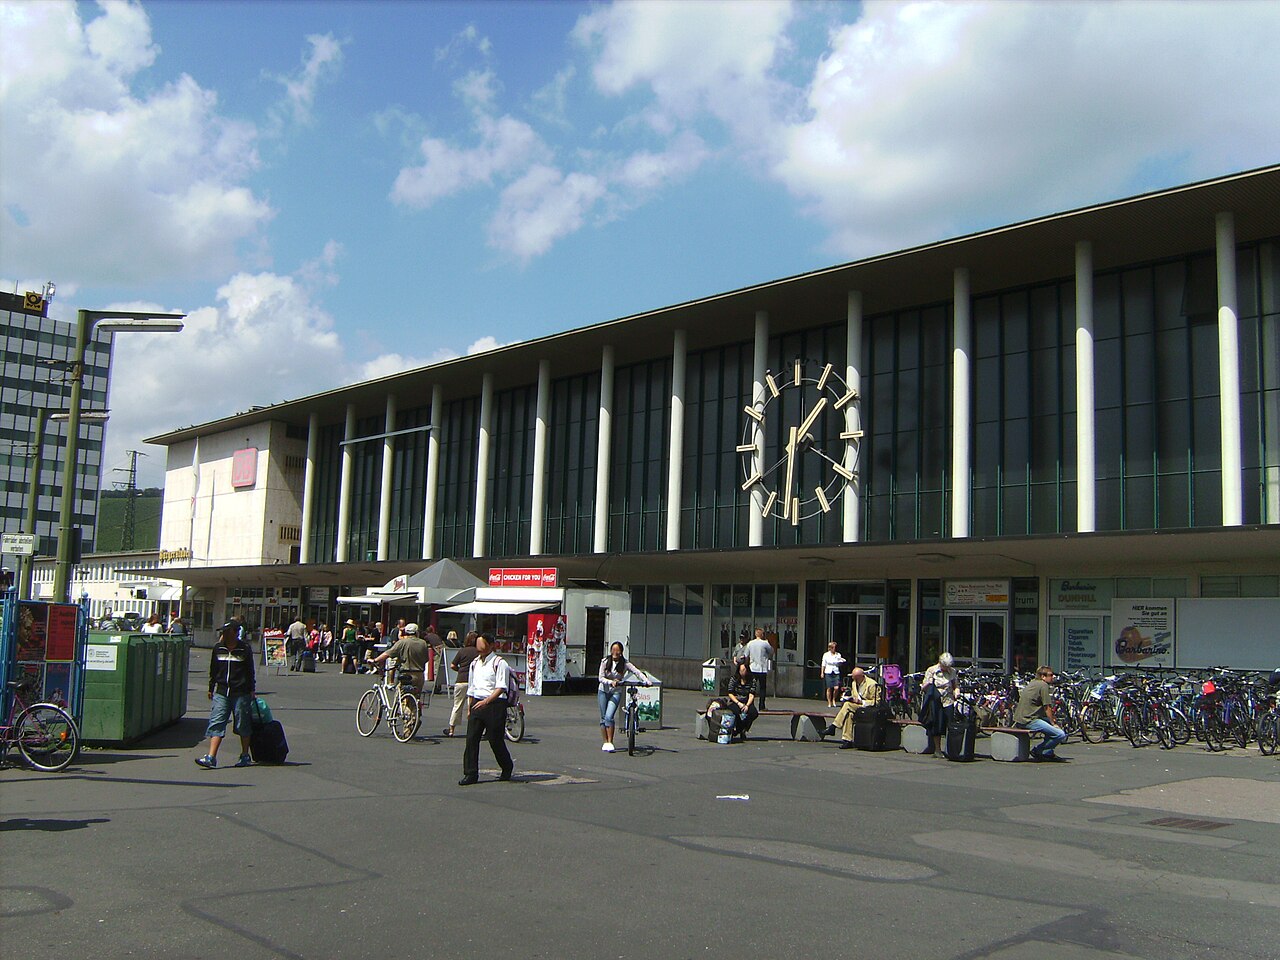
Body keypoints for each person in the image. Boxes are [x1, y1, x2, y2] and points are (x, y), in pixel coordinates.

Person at [195, 621, 256, 769]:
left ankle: (244, 755)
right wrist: (211, 687)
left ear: (235, 632)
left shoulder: (244, 649)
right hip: (222, 691)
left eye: (228, 632)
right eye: (223, 632)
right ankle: (211, 757)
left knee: (242, 724)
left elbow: (249, 670)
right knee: (217, 722)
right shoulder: (218, 648)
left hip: (240, 692)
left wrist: (251, 689)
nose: (224, 635)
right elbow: (213, 669)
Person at [458, 635, 513, 786]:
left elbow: (501, 687)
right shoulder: (474, 663)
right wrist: (470, 707)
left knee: (495, 740)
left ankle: (507, 766)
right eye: (478, 647)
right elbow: (471, 687)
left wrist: (487, 701)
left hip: (494, 704)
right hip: (477, 702)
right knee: (471, 739)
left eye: (482, 648)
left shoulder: (499, 663)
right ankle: (471, 773)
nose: (479, 651)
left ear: (490, 646)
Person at [597, 641, 650, 752]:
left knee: (609, 716)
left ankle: (610, 742)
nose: (615, 652)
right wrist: (610, 682)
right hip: (603, 691)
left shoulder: (625, 663)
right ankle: (605, 741)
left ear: (621, 652)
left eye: (617, 650)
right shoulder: (605, 661)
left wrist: (646, 680)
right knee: (603, 718)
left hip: (616, 692)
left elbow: (637, 672)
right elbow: (600, 678)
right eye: (613, 650)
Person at [1014, 665, 1067, 762]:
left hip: (1022, 718)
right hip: (1029, 720)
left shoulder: (1033, 683)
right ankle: (1037, 750)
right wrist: (1053, 723)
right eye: (1050, 675)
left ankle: (1048, 753)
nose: (1053, 677)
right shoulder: (1043, 685)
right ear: (1043, 676)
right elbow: (1047, 707)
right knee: (1060, 734)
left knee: (1051, 728)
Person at [367, 622, 430, 695]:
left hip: (407, 674)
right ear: (417, 632)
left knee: (402, 696)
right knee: (416, 697)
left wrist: (375, 660)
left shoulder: (402, 642)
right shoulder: (423, 643)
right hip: (420, 674)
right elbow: (426, 659)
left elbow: (388, 653)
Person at [825, 666, 881, 748]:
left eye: (855, 678)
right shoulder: (854, 683)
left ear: (861, 676)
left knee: (847, 705)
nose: (853, 679)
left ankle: (833, 727)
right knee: (849, 714)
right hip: (856, 707)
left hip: (868, 708)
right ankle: (847, 740)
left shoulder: (872, 684)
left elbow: (876, 702)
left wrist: (862, 702)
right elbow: (854, 695)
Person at [704, 659, 759, 741]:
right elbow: (730, 693)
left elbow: (751, 694)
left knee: (753, 713)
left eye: (744, 670)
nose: (742, 672)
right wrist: (738, 703)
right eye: (741, 670)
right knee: (734, 712)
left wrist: (747, 705)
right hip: (736, 701)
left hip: (747, 701)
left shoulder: (752, 680)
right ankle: (740, 729)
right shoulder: (734, 679)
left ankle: (742, 728)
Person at [921, 652, 959, 758]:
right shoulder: (932, 670)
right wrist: (927, 685)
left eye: (948, 666)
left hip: (948, 700)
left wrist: (957, 690)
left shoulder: (952, 672)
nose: (947, 668)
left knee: (950, 724)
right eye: (945, 666)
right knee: (936, 725)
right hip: (936, 700)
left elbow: (955, 684)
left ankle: (950, 749)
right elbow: (924, 687)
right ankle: (937, 749)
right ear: (940, 663)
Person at [445, 631, 477, 737]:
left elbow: (452, 665)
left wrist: (459, 670)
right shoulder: (479, 652)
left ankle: (451, 730)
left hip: (461, 680)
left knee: (457, 705)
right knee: (472, 706)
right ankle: (472, 729)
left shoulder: (462, 651)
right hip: (474, 682)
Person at [744, 627, 773, 709]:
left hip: (752, 668)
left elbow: (746, 655)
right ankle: (761, 706)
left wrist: (747, 665)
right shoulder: (765, 643)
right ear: (762, 634)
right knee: (762, 688)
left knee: (751, 687)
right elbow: (771, 652)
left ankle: (750, 704)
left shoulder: (750, 643)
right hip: (762, 668)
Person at [821, 641, 846, 707]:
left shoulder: (838, 654)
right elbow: (823, 664)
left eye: (835, 647)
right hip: (828, 671)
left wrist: (841, 662)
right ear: (830, 648)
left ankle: (834, 699)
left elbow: (840, 662)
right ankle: (829, 702)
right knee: (829, 688)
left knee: (836, 688)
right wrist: (822, 673)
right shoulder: (826, 655)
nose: (834, 649)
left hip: (836, 671)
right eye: (833, 647)